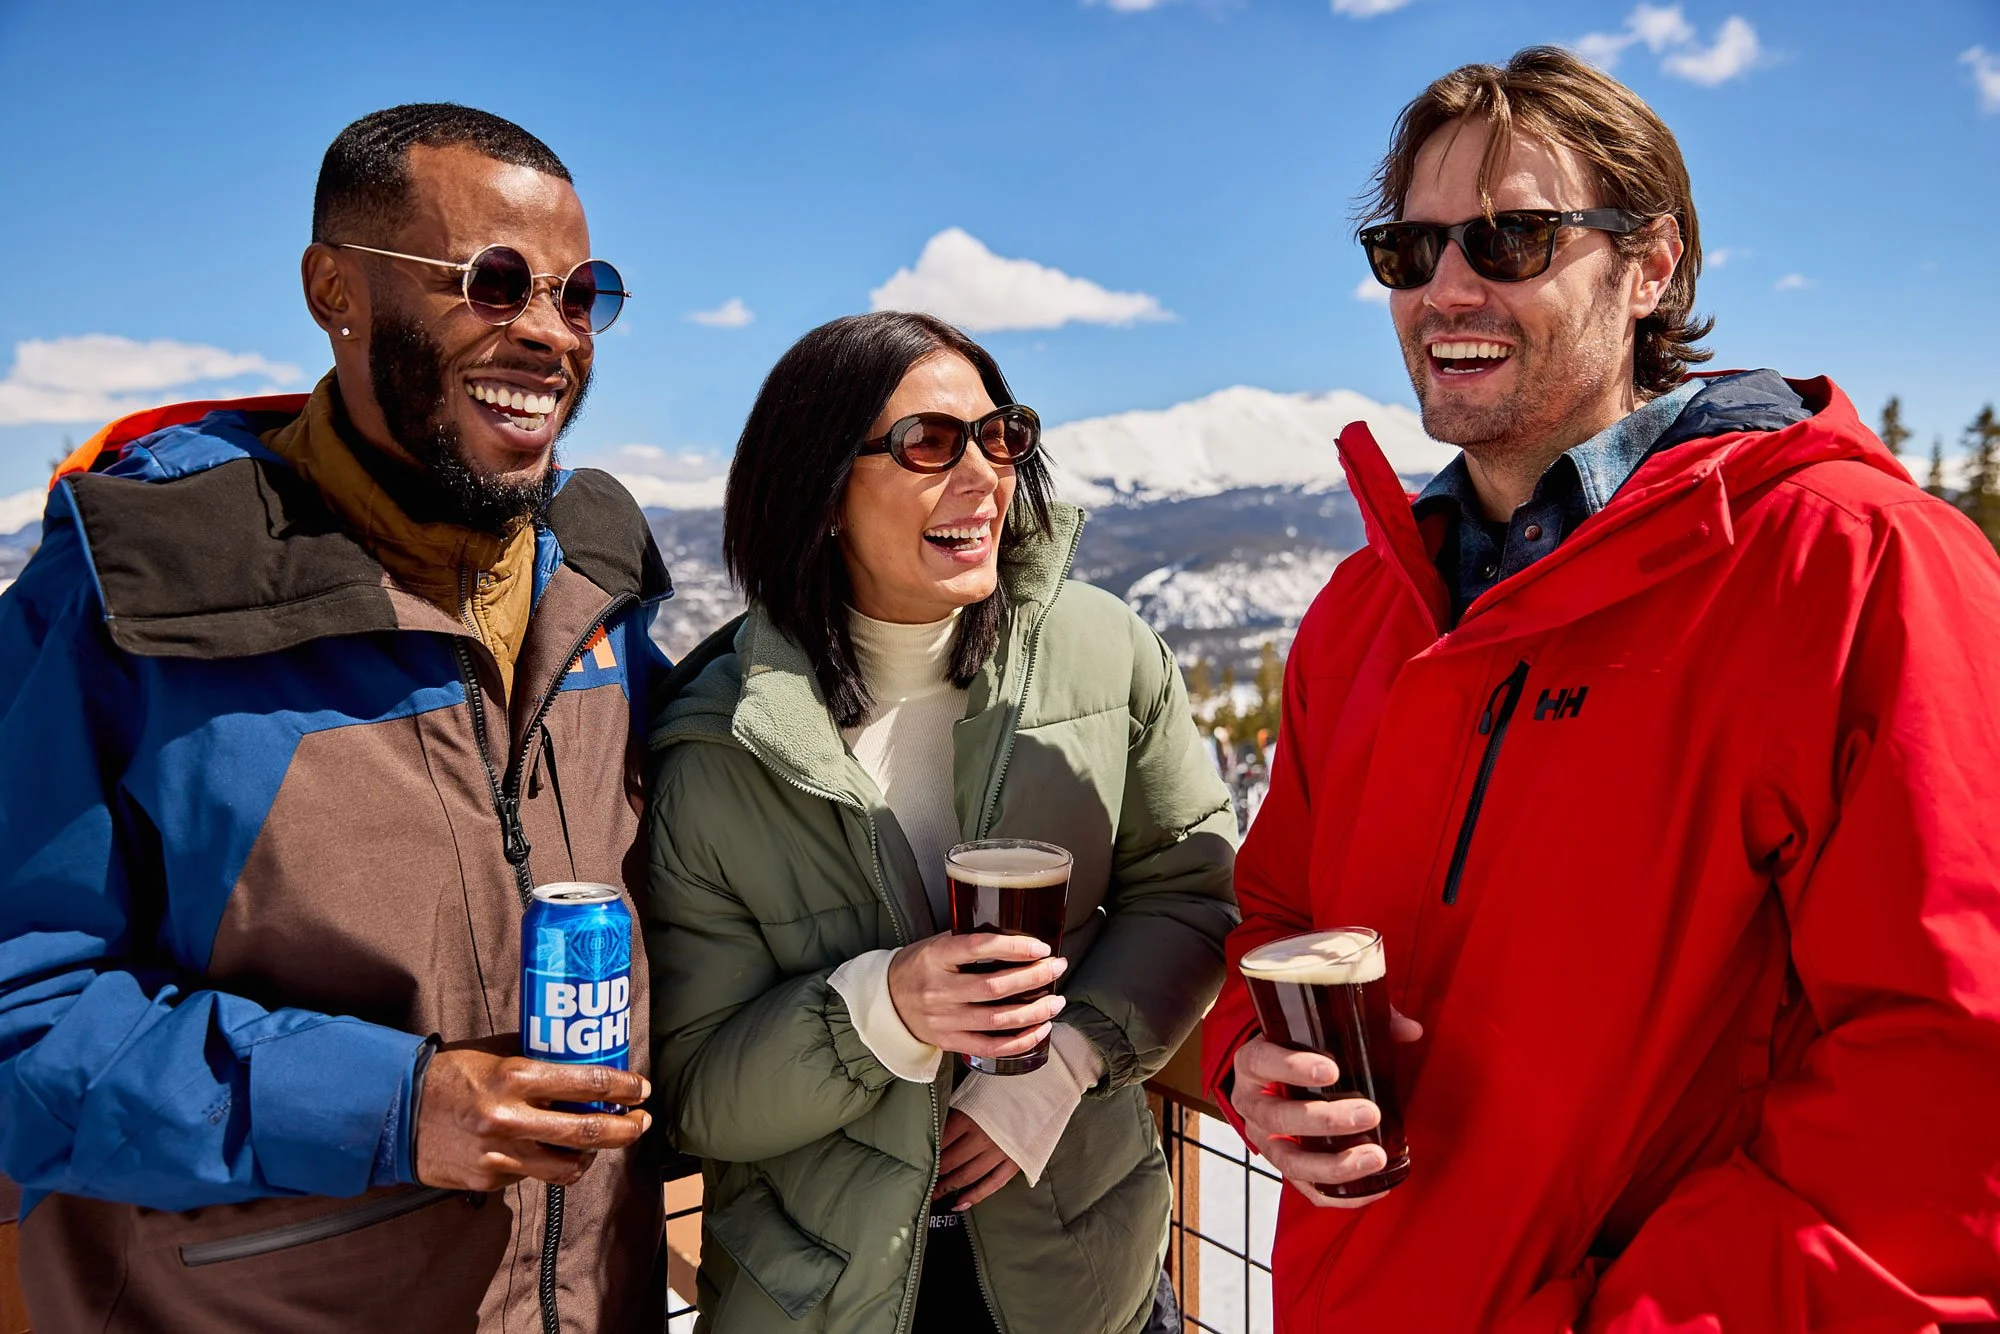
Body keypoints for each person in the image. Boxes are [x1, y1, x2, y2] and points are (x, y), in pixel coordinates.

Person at [1201, 46, 2000, 1332]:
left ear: (1650, 264)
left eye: (1511, 237)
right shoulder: (1365, 613)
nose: (1445, 286)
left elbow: (1950, 1095)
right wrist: (1250, 1056)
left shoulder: (1850, 569)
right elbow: (1275, 906)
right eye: (1408, 252)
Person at [0, 104, 671, 1332]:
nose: (546, 332)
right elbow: (23, 1021)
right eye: (493, 280)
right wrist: (395, 1106)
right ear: (334, 289)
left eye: (582, 295)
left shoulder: (597, 580)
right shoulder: (135, 596)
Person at [644, 311, 1238, 1333]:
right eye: (928, 443)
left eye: (1000, 434)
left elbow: (1188, 891)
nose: (981, 475)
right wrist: (882, 1008)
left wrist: (1056, 1068)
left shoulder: (1102, 653)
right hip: (823, 1295)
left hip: (1080, 1268)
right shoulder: (719, 742)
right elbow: (697, 1088)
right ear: (821, 488)